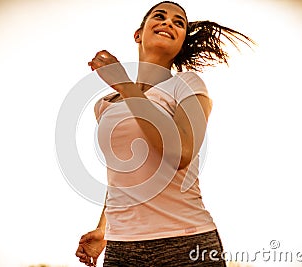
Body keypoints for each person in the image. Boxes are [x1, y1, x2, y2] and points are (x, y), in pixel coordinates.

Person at [75, 1, 254, 266]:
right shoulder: (105, 105)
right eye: (159, 16)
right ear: (138, 33)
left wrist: (125, 84)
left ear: (181, 41)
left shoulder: (187, 85)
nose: (168, 22)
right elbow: (122, 176)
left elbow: (180, 152)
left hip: (186, 242)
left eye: (178, 22)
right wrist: (103, 228)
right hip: (122, 248)